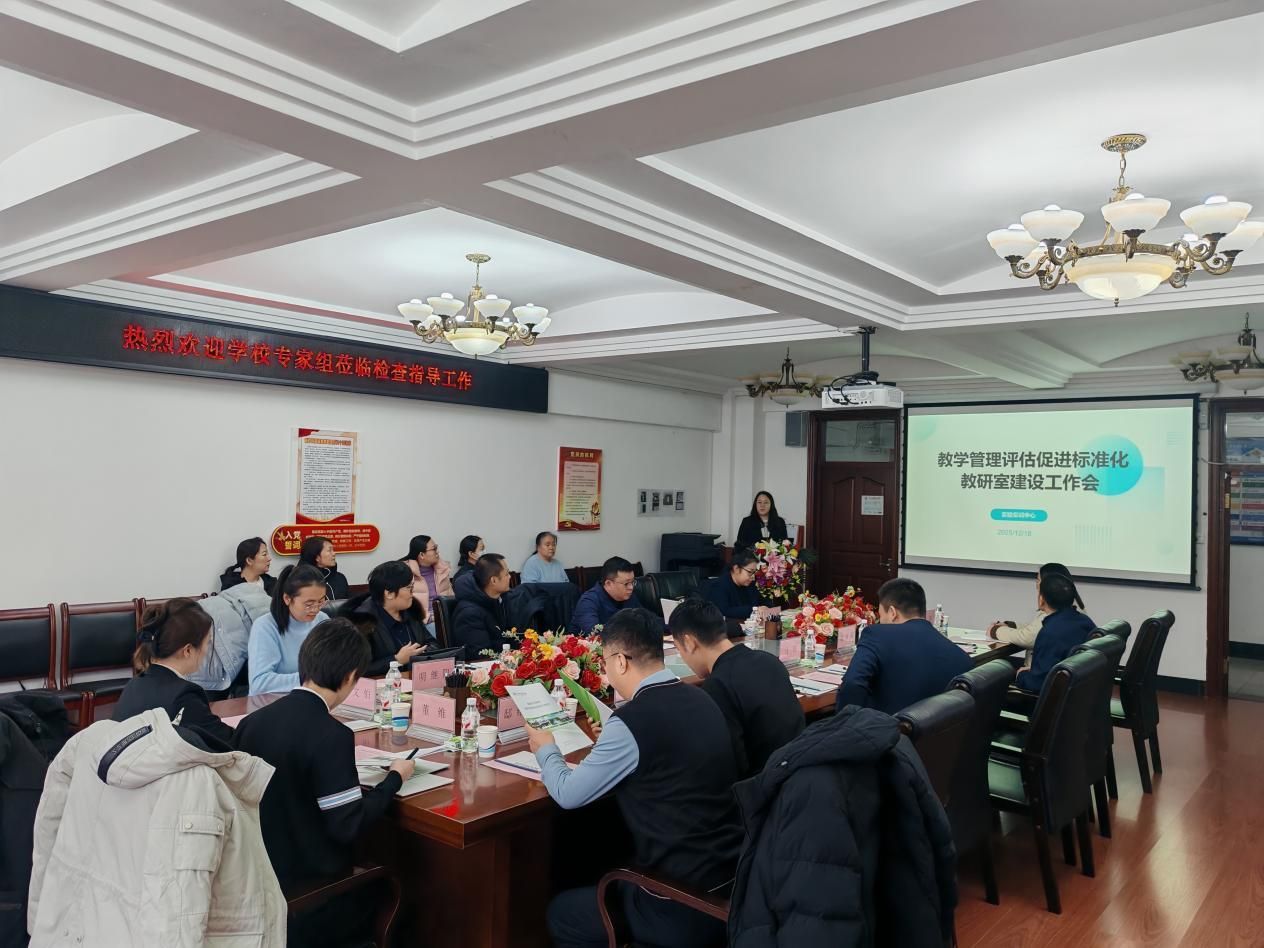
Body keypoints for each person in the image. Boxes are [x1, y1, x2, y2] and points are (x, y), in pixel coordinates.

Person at [528, 608, 743, 948]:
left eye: (604, 663)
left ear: (620, 662)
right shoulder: (701, 697)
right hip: (731, 884)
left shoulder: (633, 720)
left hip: (677, 902)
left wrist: (546, 749)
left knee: (562, 913)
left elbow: (567, 794)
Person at [235, 619, 416, 948]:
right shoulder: (331, 735)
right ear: (350, 677)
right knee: (402, 891)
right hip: (313, 895)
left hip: (257, 880)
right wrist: (394, 778)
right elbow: (348, 825)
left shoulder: (251, 723)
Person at [668, 599, 803, 777]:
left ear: (689, 642)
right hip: (800, 769)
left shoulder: (717, 685)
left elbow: (731, 763)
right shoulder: (768, 660)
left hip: (766, 784)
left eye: (679, 649)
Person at [835, 577, 972, 715]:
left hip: (886, 725)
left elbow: (852, 684)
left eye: (881, 616)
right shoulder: (962, 658)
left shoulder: (877, 634)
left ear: (892, 613)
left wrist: (844, 723)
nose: (880, 622)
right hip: (936, 727)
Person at [113, 597, 235, 745]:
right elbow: (227, 742)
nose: (207, 651)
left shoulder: (134, 685)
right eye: (207, 643)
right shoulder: (184, 694)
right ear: (188, 650)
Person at [338, 559, 436, 675]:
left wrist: (422, 654)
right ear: (389, 594)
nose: (412, 592)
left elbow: (432, 644)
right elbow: (357, 669)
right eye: (409, 587)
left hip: (415, 678)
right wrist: (397, 660)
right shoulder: (362, 622)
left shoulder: (411, 611)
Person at [987, 562, 1086, 673]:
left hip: (1040, 672)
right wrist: (1011, 625)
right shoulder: (1077, 614)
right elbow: (1035, 628)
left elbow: (1027, 638)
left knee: (992, 669)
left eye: (1039, 580)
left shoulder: (1054, 614)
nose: (1037, 585)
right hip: (1057, 670)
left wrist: (996, 631)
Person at [248, 564, 330, 696]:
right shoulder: (265, 627)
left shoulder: (322, 620)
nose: (315, 609)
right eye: (309, 604)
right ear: (287, 599)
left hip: (313, 698)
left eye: (321, 601)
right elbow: (259, 683)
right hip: (274, 702)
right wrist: (311, 680)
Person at [1014, 572, 1096, 694]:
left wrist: (1021, 675)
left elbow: (1037, 684)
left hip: (1058, 699)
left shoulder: (1050, 633)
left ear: (1041, 599)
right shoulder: (1085, 621)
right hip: (1083, 693)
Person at [450, 553, 514, 660]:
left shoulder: (496, 600)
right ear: (493, 580)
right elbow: (480, 655)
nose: (510, 576)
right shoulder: (469, 614)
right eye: (507, 574)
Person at [569, 556, 637, 634]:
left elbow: (643, 621)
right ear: (608, 583)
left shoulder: (628, 595)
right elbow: (595, 633)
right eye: (626, 583)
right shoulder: (588, 601)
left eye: (632, 582)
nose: (631, 587)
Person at [701, 549, 772, 621]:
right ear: (736, 569)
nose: (753, 577)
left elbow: (763, 601)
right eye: (750, 572)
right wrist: (755, 610)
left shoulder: (750, 584)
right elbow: (724, 611)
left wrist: (765, 607)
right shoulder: (719, 586)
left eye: (754, 573)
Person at [401, 534, 454, 621]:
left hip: (445, 617)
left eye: (436, 547)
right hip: (423, 621)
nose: (437, 552)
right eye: (434, 549)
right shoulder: (406, 573)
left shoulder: (442, 570)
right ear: (422, 554)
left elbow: (451, 597)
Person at [298, 535, 350, 600]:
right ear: (317, 557)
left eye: (333, 550)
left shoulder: (340, 578)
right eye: (329, 550)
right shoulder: (301, 581)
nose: (334, 553)